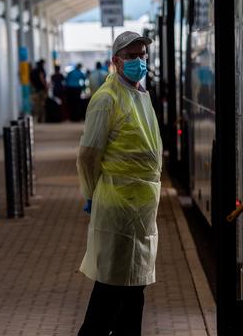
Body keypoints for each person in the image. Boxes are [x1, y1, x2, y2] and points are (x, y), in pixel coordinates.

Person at [76, 31, 162, 336]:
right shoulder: (106, 100)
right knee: (111, 292)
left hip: (139, 210)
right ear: (116, 61)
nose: (139, 61)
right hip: (118, 208)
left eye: (142, 55)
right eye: (132, 56)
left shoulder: (138, 94)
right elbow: (89, 155)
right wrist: (90, 193)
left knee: (133, 290)